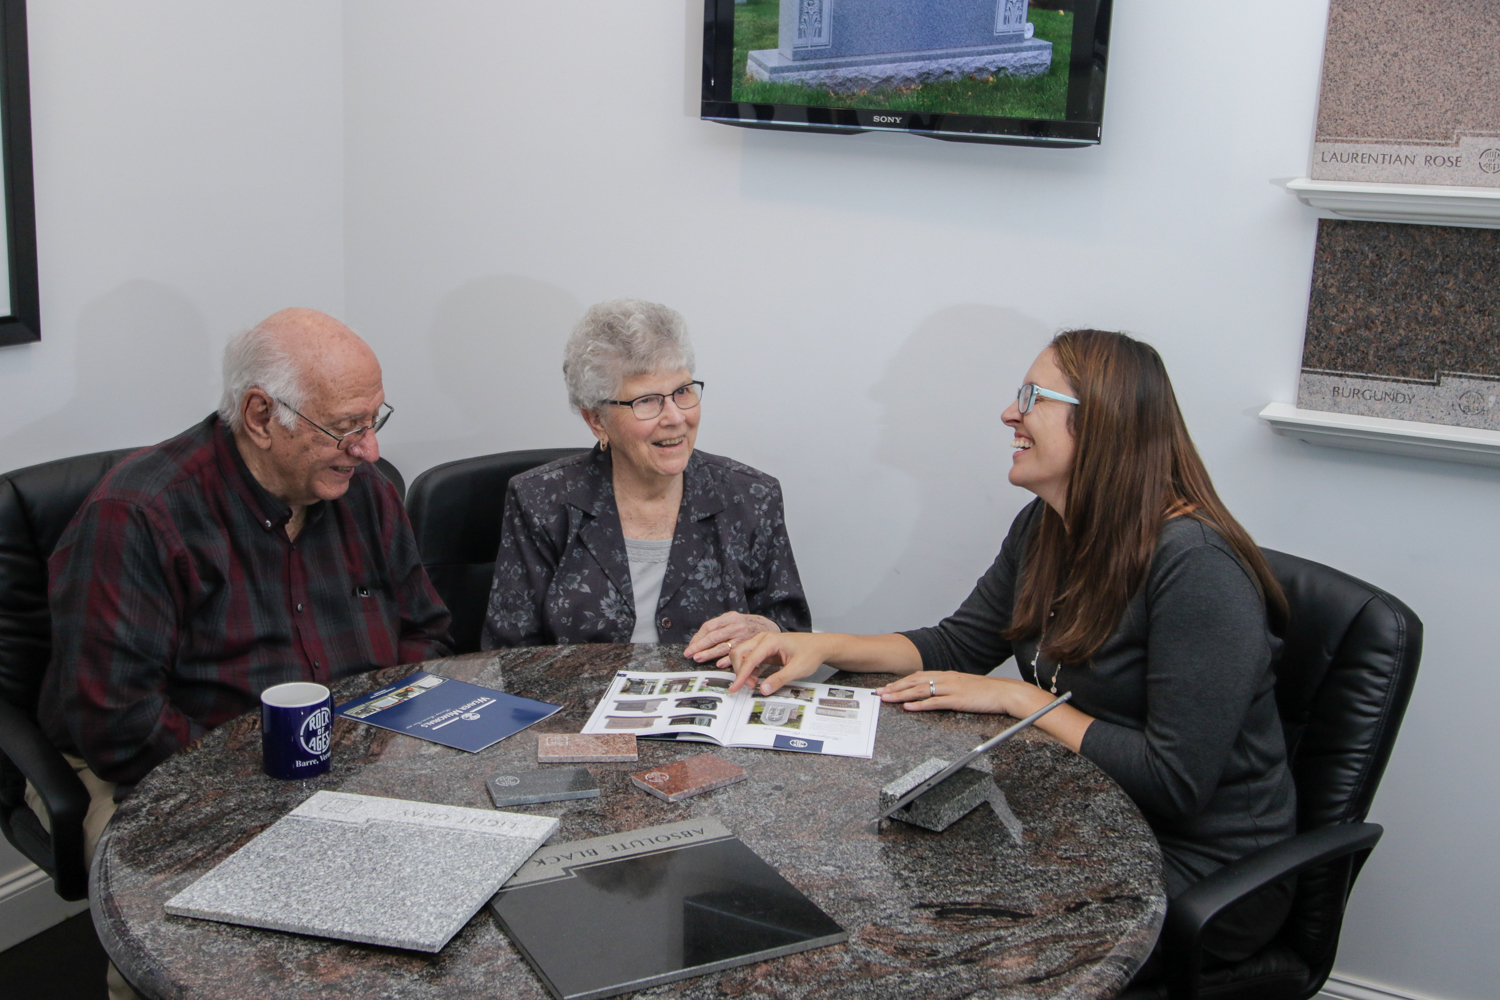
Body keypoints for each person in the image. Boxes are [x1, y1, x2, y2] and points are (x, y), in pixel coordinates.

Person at [726, 329, 1297, 966]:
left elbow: (1173, 783)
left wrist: (1016, 698)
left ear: (1101, 421)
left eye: (1032, 395)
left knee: (944, 952)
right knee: (869, 891)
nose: (1009, 413)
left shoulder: (1197, 567)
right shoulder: (1046, 526)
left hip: (1197, 868)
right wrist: (820, 643)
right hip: (1081, 824)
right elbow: (958, 645)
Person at [35, 308, 452, 861]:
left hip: (345, 760)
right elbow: (121, 724)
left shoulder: (366, 493)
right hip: (175, 773)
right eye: (348, 426)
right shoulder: (138, 515)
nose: (369, 450)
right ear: (261, 416)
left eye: (375, 420)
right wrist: (271, 782)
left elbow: (426, 634)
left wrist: (366, 751)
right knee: (223, 927)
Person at [481, 298, 811, 658]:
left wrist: (770, 630)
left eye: (683, 391)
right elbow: (508, 657)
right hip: (580, 709)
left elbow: (794, 632)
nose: (675, 417)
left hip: (714, 705)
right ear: (596, 420)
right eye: (647, 400)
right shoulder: (540, 501)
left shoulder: (751, 496)